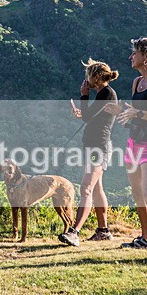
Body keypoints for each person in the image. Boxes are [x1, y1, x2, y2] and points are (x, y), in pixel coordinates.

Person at [106, 34, 147, 267]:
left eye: (134, 52)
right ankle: (145, 237)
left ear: (146, 56)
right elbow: (134, 112)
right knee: (137, 193)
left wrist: (139, 114)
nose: (130, 57)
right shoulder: (137, 82)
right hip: (134, 141)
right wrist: (122, 113)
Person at [59, 58, 119, 246]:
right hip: (94, 145)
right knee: (97, 188)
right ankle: (103, 230)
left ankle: (74, 232)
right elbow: (90, 116)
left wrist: (84, 95)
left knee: (86, 188)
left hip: (98, 147)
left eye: (88, 76)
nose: (86, 80)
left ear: (95, 77)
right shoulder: (104, 93)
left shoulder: (106, 93)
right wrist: (83, 111)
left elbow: (87, 116)